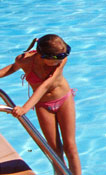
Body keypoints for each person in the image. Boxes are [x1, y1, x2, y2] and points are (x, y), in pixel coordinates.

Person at [0, 35, 81, 175]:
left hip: (64, 101)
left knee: (70, 147)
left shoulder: (61, 61)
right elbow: (13, 68)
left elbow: (45, 86)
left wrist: (24, 108)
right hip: (43, 105)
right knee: (54, 150)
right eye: (56, 59)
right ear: (43, 56)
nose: (61, 61)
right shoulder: (24, 60)